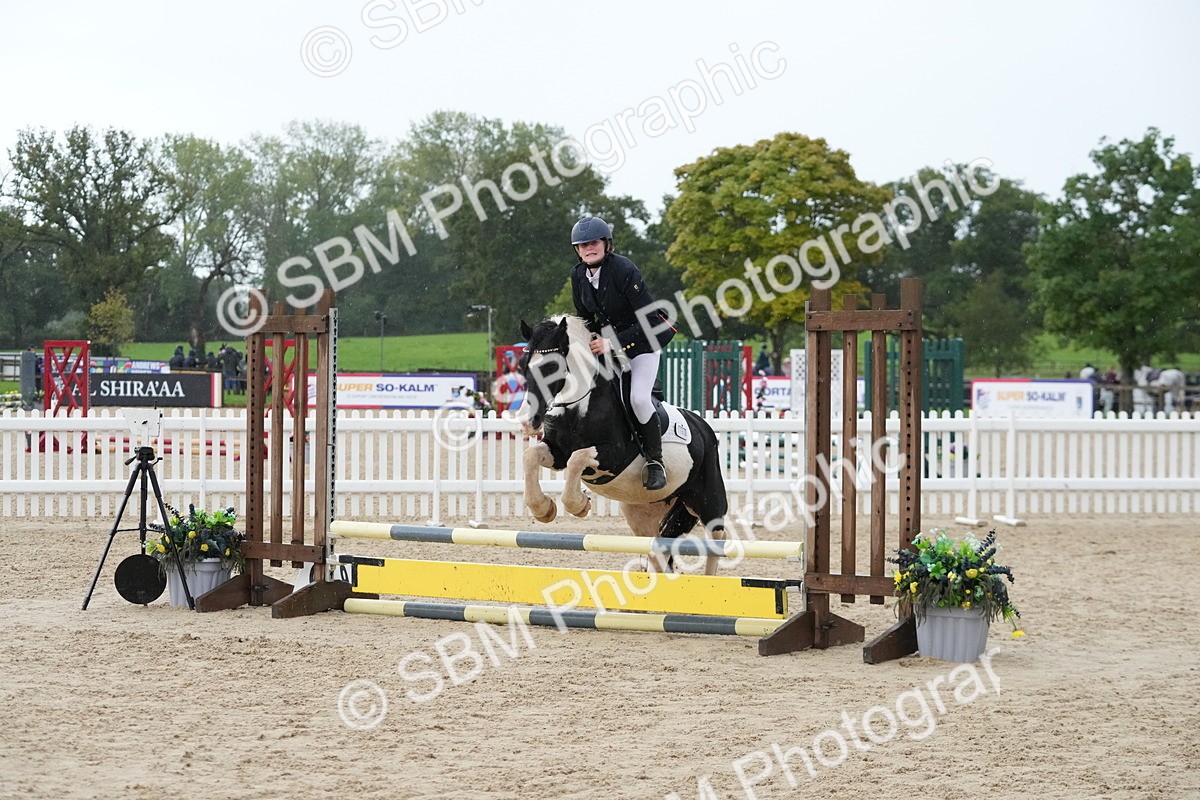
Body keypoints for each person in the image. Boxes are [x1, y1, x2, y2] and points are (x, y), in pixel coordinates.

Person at [569, 216, 674, 490]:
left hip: (642, 343)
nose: (588, 249)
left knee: (638, 399)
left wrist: (612, 343)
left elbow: (649, 320)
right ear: (577, 250)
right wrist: (591, 337)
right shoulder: (578, 275)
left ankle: (655, 461)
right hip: (606, 342)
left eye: (593, 243)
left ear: (606, 244)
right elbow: (585, 316)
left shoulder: (624, 269)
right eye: (582, 245)